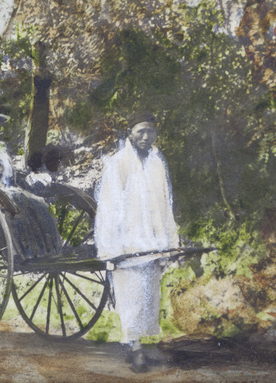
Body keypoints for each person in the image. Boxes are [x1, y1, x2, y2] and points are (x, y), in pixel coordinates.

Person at [94, 113, 179, 372]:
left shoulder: (156, 162)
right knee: (131, 292)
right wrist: (112, 247)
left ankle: (141, 342)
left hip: (152, 238)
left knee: (148, 293)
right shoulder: (118, 163)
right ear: (129, 133)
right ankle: (135, 348)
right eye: (140, 131)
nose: (145, 137)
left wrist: (168, 240)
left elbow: (165, 203)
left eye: (150, 132)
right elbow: (109, 207)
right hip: (128, 239)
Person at [0, 106, 61, 261]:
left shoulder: (1, 149)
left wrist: (31, 177)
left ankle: (47, 251)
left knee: (39, 203)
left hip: (9, 190)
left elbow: (12, 173)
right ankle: (25, 253)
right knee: (18, 202)